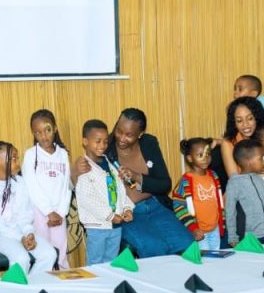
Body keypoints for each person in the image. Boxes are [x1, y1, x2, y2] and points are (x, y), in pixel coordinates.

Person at [73, 108, 193, 257]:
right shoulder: (105, 146)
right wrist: (74, 171)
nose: (121, 138)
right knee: (154, 247)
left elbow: (164, 184)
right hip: (129, 212)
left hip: (155, 205)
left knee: (187, 244)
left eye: (129, 135)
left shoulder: (149, 143)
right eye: (119, 131)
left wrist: (138, 177)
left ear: (140, 134)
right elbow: (85, 184)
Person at [0, 140, 56, 274]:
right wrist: (20, 238)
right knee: (21, 258)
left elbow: (25, 215)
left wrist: (29, 234)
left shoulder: (20, 182)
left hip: (19, 230)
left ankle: (32, 285)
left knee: (49, 254)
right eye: (13, 158)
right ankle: (15, 287)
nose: (18, 162)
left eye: (18, 158)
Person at [74, 120, 133, 264]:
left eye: (105, 141)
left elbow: (120, 190)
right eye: (98, 141)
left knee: (111, 262)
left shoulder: (111, 164)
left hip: (115, 226)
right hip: (97, 227)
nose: (102, 145)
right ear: (85, 142)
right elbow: (88, 199)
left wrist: (127, 208)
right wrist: (110, 215)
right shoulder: (84, 168)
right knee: (95, 263)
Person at [22, 109, 72, 269]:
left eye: (47, 130)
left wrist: (61, 212)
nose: (44, 136)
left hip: (59, 213)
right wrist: (48, 211)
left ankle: (63, 277)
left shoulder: (63, 154)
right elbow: (31, 186)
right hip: (39, 212)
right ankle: (42, 279)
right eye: (38, 132)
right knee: (43, 252)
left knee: (61, 251)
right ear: (33, 134)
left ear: (55, 128)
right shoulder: (30, 155)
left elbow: (67, 186)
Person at [171, 137, 224, 251]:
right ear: (190, 158)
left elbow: (218, 202)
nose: (205, 158)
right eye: (200, 155)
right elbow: (179, 206)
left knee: (216, 257)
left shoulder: (214, 176)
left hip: (215, 229)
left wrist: (221, 222)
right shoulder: (186, 181)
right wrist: (193, 227)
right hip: (200, 232)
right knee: (206, 259)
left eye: (208, 154)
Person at [224, 138, 264, 245]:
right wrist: (232, 237)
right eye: (261, 159)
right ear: (248, 161)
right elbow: (230, 212)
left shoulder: (259, 180)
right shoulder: (234, 183)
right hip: (248, 238)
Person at [218, 96, 264, 178]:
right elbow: (235, 179)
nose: (245, 124)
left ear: (257, 118)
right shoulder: (228, 143)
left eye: (250, 118)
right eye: (239, 121)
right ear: (234, 123)